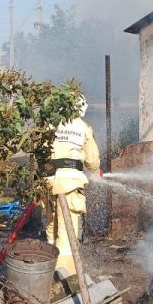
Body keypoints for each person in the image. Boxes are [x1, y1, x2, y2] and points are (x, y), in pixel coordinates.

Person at [46, 94, 100, 274]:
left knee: (51, 227)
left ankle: (46, 270)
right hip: (70, 183)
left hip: (48, 182)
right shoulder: (83, 127)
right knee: (67, 231)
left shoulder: (50, 124)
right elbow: (92, 161)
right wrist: (94, 172)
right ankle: (66, 275)